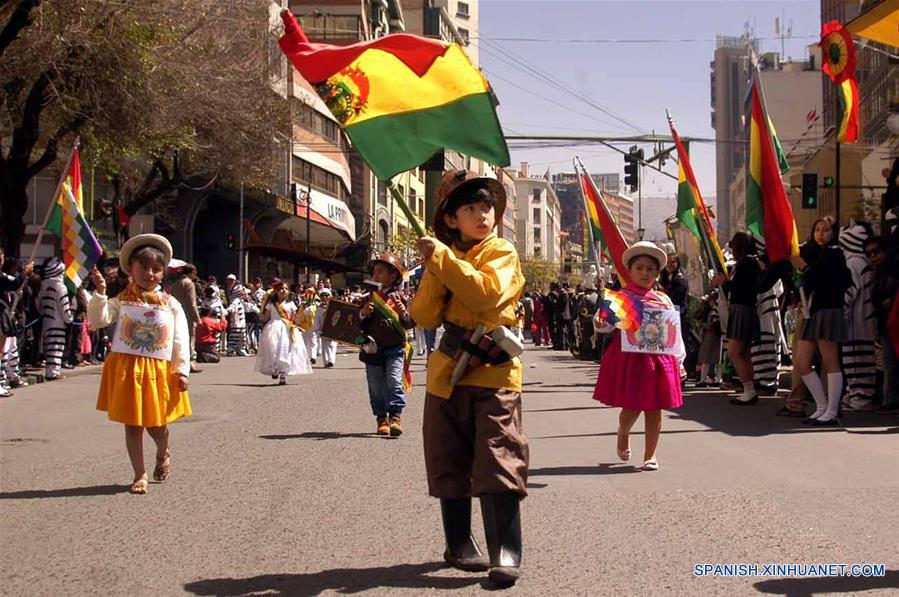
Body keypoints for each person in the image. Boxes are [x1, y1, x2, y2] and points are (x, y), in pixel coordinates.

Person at [412, 169, 527, 586]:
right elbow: (423, 316)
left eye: (487, 208)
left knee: (499, 457)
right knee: (448, 459)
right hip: (447, 370)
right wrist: (434, 269)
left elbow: (484, 294)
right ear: (450, 219)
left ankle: (506, 552)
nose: (483, 215)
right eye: (470, 209)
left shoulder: (502, 251)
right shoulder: (443, 256)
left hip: (493, 370)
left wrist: (442, 260)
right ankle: (458, 542)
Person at [87, 234, 192, 495]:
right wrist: (100, 293)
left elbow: (180, 337)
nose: (150, 273)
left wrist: (181, 370)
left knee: (156, 424)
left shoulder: (170, 304)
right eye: (143, 267)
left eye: (156, 269)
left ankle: (162, 449)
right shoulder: (122, 300)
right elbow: (100, 320)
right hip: (128, 369)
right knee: (133, 423)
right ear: (131, 268)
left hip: (158, 370)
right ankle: (139, 473)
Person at [593, 241, 685, 472]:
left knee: (655, 407)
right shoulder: (622, 297)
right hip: (630, 360)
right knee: (632, 406)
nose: (645, 273)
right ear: (630, 271)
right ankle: (623, 432)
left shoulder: (663, 300)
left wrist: (680, 360)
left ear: (657, 273)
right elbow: (605, 325)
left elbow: (674, 334)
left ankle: (650, 454)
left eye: (650, 269)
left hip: (659, 361)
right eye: (640, 268)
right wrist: (600, 321)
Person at [790, 217, 852, 426]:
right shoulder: (814, 253)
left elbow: (825, 279)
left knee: (830, 361)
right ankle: (822, 406)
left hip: (827, 311)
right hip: (812, 312)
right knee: (802, 362)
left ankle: (832, 410)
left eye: (826, 230)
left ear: (833, 233)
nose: (820, 233)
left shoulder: (835, 254)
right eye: (817, 229)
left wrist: (805, 268)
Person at [358, 253, 413, 436]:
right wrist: (364, 313)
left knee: (394, 381)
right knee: (375, 385)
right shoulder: (367, 298)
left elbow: (409, 324)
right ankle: (381, 418)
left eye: (381, 272)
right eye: (374, 272)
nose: (376, 276)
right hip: (372, 349)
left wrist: (403, 312)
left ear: (393, 276)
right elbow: (356, 323)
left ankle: (395, 416)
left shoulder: (399, 298)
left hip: (395, 348)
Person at [712, 232, 760, 405]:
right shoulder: (748, 263)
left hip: (742, 309)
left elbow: (741, 287)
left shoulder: (747, 263)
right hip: (745, 309)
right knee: (744, 353)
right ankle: (749, 389)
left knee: (734, 352)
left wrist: (723, 282)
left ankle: (749, 388)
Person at [839, 220, 877, 412]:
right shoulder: (863, 262)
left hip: (857, 323)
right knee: (861, 359)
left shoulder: (853, 263)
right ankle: (856, 395)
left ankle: (859, 398)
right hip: (865, 321)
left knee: (855, 360)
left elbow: (849, 293)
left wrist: (841, 316)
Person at [864, 236, 898, 413]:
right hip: (885, 323)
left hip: (894, 320)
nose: (873, 256)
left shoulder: (892, 270)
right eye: (869, 253)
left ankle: (890, 401)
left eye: (876, 251)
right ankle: (888, 400)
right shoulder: (875, 273)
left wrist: (891, 300)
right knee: (888, 363)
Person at [256, 278, 312, 384]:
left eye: (286, 289)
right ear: (276, 291)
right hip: (274, 328)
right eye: (281, 288)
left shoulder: (291, 304)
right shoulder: (271, 304)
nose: (284, 291)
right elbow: (265, 317)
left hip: (287, 330)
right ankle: (276, 368)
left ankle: (283, 374)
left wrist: (305, 312)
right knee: (273, 349)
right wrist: (260, 313)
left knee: (286, 350)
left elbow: (296, 318)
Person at [38, 257, 73, 381]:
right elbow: (64, 306)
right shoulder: (61, 286)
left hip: (46, 321)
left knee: (49, 347)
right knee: (57, 347)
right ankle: (53, 372)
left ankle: (50, 370)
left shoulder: (43, 285)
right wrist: (69, 318)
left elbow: (39, 304)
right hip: (57, 321)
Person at [169, 263, 201, 373]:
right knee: (190, 338)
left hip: (175, 314)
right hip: (187, 314)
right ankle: (190, 362)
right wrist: (197, 318)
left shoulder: (176, 284)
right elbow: (192, 303)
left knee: (178, 338)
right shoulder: (189, 284)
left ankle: (177, 361)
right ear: (192, 272)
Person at [695, 290, 723, 386]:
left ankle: (718, 378)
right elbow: (698, 316)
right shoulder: (708, 310)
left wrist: (704, 325)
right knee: (706, 359)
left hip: (716, 335)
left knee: (719, 359)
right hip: (710, 336)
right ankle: (704, 379)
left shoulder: (718, 310)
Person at [225, 275, 248, 357]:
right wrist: (225, 311)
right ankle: (231, 349)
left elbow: (249, 306)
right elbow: (231, 308)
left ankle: (241, 349)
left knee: (242, 335)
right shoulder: (235, 300)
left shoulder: (241, 301)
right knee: (235, 334)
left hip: (242, 320)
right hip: (236, 320)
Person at [315, 288, 337, 368]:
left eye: (326, 295)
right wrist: (317, 329)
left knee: (333, 345)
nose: (324, 297)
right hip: (323, 329)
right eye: (322, 295)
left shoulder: (333, 307)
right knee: (325, 346)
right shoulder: (319, 309)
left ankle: (331, 360)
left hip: (333, 329)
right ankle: (326, 361)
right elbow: (317, 320)